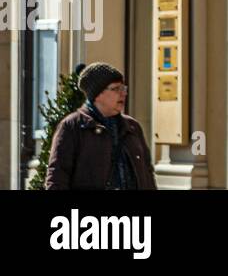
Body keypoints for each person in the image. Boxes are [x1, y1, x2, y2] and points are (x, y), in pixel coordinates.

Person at [45, 62, 157, 190]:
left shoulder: (132, 127)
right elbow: (57, 178)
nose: (123, 93)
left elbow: (148, 174)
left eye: (123, 88)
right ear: (97, 95)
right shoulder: (73, 127)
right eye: (116, 89)